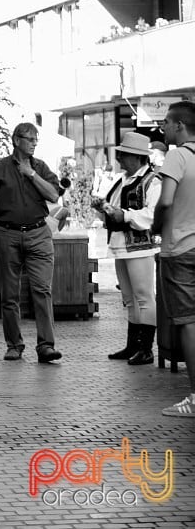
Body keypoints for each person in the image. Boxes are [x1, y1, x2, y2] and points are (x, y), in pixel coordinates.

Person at [0, 123, 64, 363]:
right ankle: (14, 345)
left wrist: (31, 175)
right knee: (9, 294)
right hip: (7, 234)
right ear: (16, 140)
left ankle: (46, 346)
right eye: (29, 139)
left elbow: (53, 195)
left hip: (38, 234)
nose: (34, 143)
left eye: (36, 139)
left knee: (42, 290)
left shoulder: (40, 167)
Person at [98, 132, 161, 365]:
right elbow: (114, 207)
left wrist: (123, 214)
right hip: (121, 244)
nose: (120, 159)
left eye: (123, 155)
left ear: (136, 157)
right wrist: (103, 207)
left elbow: (151, 215)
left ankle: (145, 348)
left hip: (140, 246)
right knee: (129, 298)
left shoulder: (152, 181)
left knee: (144, 296)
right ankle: (133, 346)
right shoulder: (123, 180)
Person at [153, 101, 195, 417]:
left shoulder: (177, 155)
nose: (162, 127)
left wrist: (156, 225)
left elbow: (165, 201)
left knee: (188, 323)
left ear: (180, 125)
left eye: (166, 122)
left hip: (180, 249)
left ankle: (194, 399)